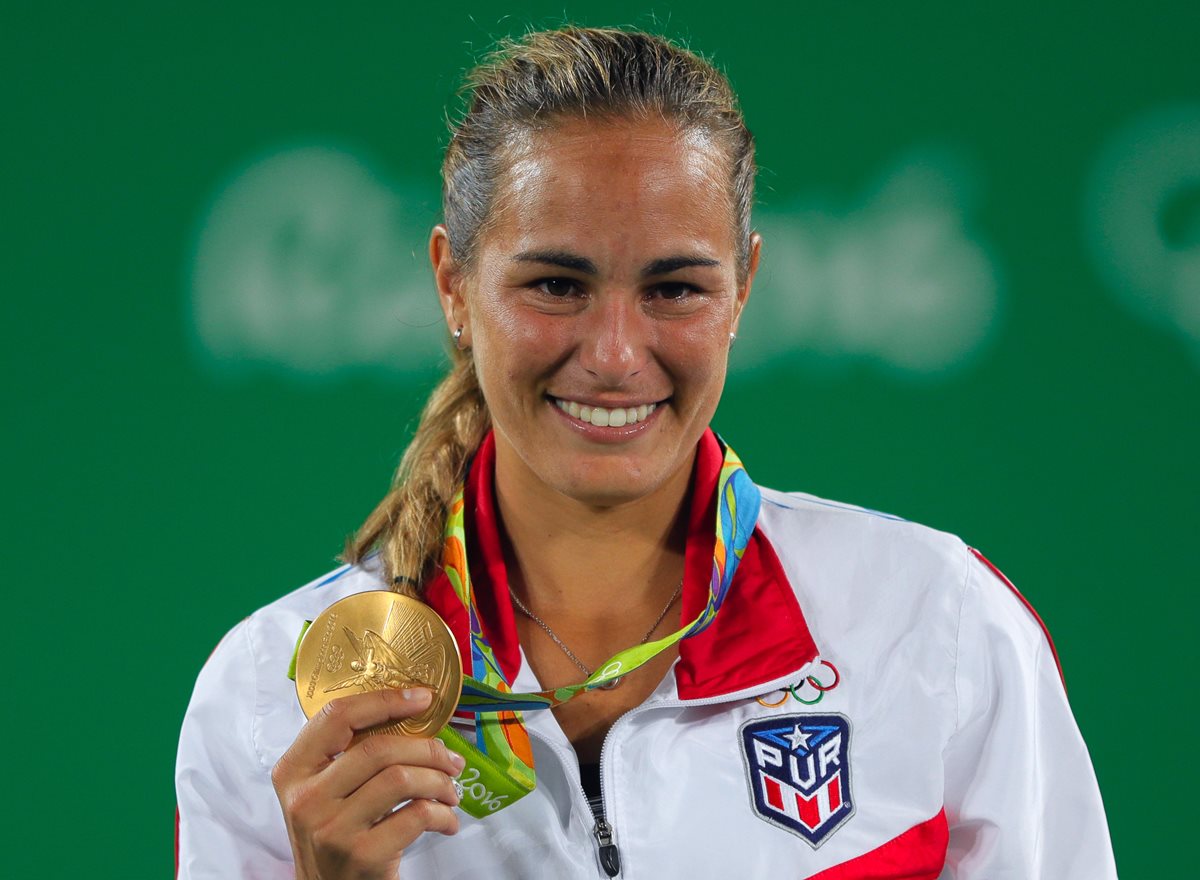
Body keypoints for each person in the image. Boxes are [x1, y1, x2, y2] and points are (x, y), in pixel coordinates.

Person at [175, 27, 1118, 879]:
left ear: (743, 289)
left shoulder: (937, 628)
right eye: (556, 285)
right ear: (453, 285)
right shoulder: (271, 697)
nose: (617, 354)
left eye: (675, 289)